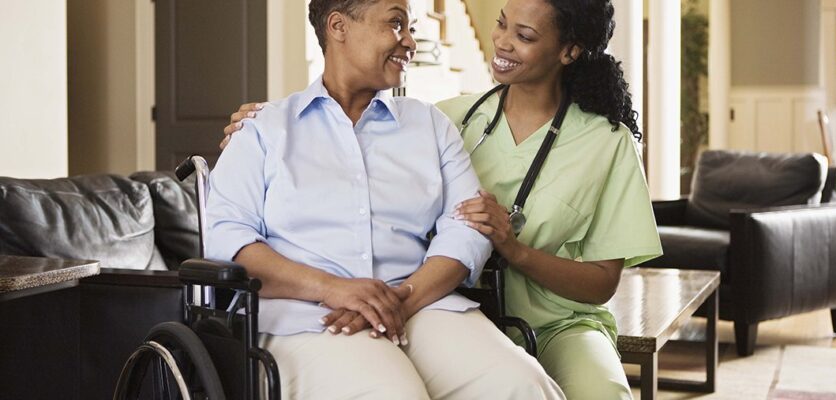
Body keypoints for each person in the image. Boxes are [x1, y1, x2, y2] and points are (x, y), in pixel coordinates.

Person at [225, 0, 662, 398]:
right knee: (395, 390)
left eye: (524, 35)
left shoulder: (429, 124)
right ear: (338, 27)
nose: (502, 41)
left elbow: (467, 231)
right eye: (397, 24)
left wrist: (402, 298)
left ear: (569, 51)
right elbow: (229, 237)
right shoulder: (270, 128)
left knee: (537, 388)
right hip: (323, 314)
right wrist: (255, 129)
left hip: (522, 317)